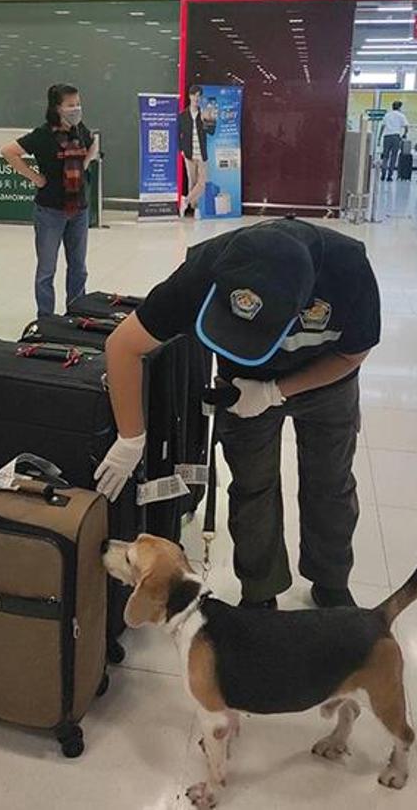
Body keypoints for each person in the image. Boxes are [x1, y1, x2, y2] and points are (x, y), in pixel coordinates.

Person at [94, 219, 381, 611]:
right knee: (252, 487)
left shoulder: (347, 269)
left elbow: (352, 354)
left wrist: (275, 392)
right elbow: (124, 345)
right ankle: (260, 592)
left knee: (329, 483)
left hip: (325, 382)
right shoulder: (204, 270)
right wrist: (131, 437)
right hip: (241, 385)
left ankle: (330, 580)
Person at [1, 84, 97, 318]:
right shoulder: (42, 135)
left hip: (79, 209)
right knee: (46, 270)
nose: (76, 109)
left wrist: (85, 165)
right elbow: (8, 151)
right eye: (70, 105)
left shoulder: (79, 129)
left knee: (78, 268)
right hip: (50, 211)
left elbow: (93, 143)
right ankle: (45, 318)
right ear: (57, 108)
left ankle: (77, 314)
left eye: (78, 104)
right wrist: (35, 177)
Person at [178, 84, 214, 217]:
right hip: (189, 153)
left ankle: (186, 201)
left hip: (202, 153)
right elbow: (178, 134)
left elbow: (211, 131)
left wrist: (207, 119)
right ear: (189, 96)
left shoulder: (205, 113)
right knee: (192, 182)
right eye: (194, 95)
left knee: (202, 182)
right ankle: (194, 209)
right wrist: (181, 150)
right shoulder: (182, 116)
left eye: (199, 96)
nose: (196, 98)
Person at [379, 100, 408, 181]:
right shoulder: (401, 116)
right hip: (396, 137)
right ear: (399, 107)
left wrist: (379, 138)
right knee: (393, 156)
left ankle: (383, 174)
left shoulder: (387, 115)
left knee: (385, 156)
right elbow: (406, 127)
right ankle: (390, 176)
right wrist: (404, 134)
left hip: (387, 137)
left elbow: (382, 127)